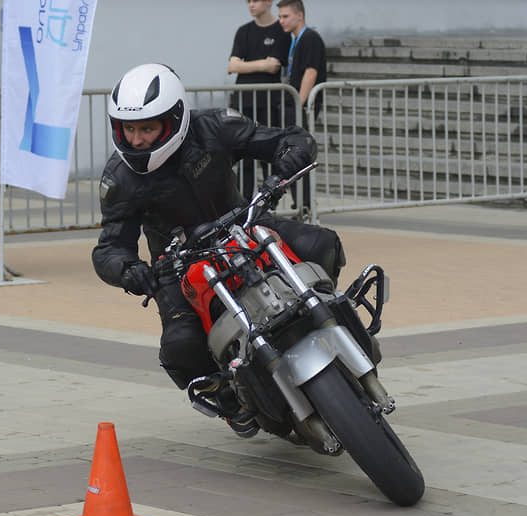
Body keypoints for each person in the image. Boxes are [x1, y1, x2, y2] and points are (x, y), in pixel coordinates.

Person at [92, 63, 345, 437]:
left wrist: (283, 167)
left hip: (245, 225)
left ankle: (328, 312)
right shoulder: (120, 178)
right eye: (130, 129)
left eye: (147, 128)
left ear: (175, 118)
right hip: (178, 265)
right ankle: (232, 399)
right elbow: (111, 246)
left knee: (321, 243)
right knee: (180, 345)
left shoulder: (213, 127)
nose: (139, 139)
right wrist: (130, 270)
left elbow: (288, 139)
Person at [228, 0, 291, 200]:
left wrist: (248, 65)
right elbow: (232, 66)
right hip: (243, 102)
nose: (251, 5)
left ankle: (268, 202)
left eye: (255, 0)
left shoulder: (281, 31)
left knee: (268, 155)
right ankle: (243, 204)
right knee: (244, 156)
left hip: (267, 103)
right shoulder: (243, 31)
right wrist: (262, 64)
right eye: (248, 1)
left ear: (269, 2)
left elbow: (274, 66)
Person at [277, 0, 326, 212]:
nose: (281, 21)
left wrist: (300, 103)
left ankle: (304, 205)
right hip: (293, 106)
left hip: (300, 107)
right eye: (279, 17)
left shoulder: (310, 38)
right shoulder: (296, 39)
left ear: (300, 15)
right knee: (292, 155)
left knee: (300, 155)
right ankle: (300, 204)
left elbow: (311, 72)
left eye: (285, 16)